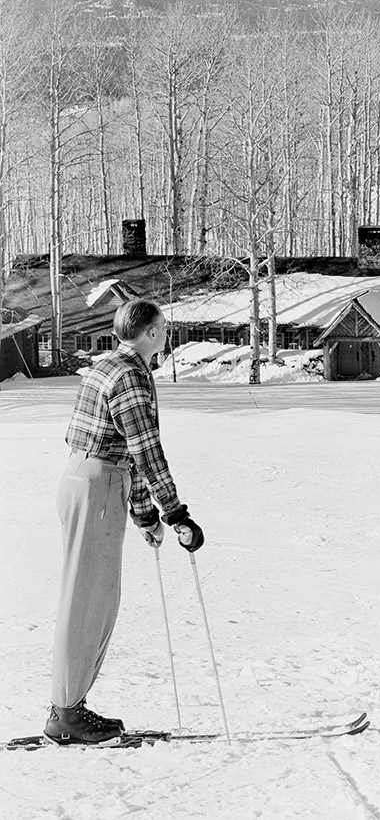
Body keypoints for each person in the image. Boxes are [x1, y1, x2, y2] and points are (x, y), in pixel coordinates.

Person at [45, 299, 204, 745]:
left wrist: (145, 514)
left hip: (90, 479)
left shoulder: (108, 365)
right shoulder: (131, 376)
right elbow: (146, 452)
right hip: (96, 485)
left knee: (94, 597)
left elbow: (128, 454)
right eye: (164, 327)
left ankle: (67, 704)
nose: (167, 333)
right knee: (88, 602)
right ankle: (66, 712)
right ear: (151, 332)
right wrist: (175, 514)